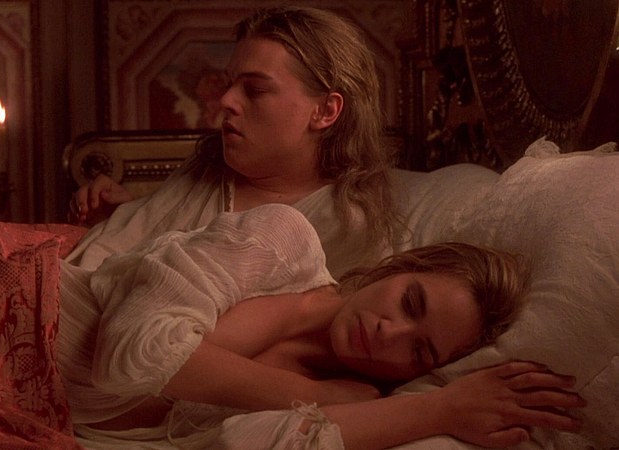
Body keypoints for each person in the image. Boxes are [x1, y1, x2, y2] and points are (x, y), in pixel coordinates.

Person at [56, 204, 583, 449]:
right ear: (399, 268)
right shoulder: (281, 241)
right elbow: (131, 357)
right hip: (28, 308)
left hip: (43, 414)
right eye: (410, 302)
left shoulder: (363, 402)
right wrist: (315, 394)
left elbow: (240, 443)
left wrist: (439, 409)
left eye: (420, 352)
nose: (391, 333)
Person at [65, 6, 398, 278]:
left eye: (254, 89)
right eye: (229, 84)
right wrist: (123, 216)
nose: (226, 100)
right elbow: (123, 255)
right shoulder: (207, 170)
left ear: (325, 110)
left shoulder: (349, 230)